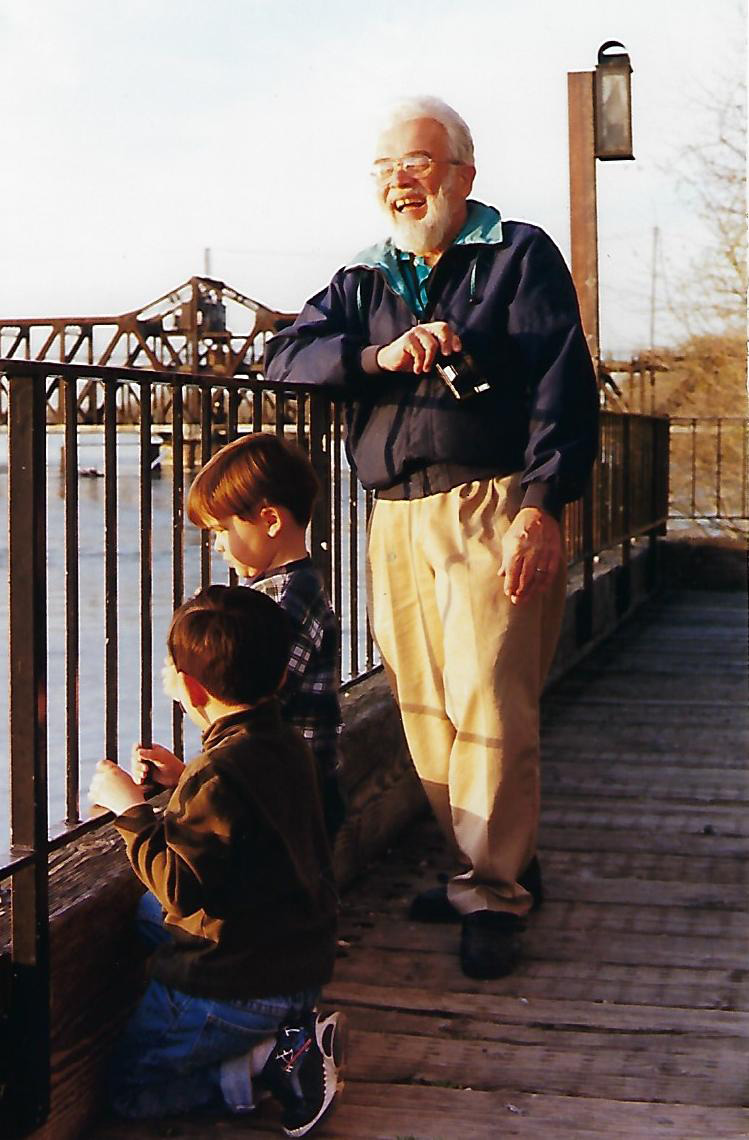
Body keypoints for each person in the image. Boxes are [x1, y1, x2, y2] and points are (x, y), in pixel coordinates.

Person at [264, 95, 599, 979]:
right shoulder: (361, 280)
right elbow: (281, 357)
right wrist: (376, 358)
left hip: (489, 503)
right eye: (383, 170)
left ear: (461, 174)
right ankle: (487, 866)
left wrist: (541, 504)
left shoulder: (515, 255)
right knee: (425, 706)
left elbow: (562, 387)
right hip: (395, 516)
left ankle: (493, 891)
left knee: (491, 694)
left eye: (413, 164)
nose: (397, 183)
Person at [88, 585, 345, 1134]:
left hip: (240, 984)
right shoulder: (285, 743)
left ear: (187, 686)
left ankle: (271, 1063)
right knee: (144, 918)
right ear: (280, 677)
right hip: (299, 958)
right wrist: (183, 782)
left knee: (130, 1092)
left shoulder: (221, 772)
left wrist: (130, 809)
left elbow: (179, 887)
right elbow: (255, 821)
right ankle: (288, 1029)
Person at [138, 431, 345, 841]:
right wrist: (187, 777)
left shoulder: (279, 606)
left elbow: (244, 709)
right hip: (294, 790)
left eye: (220, 529)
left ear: (270, 520)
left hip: (279, 801)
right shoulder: (300, 586)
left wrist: (185, 689)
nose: (215, 545)